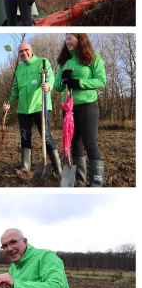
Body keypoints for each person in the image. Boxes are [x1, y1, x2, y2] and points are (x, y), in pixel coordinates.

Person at [54, 33, 107, 186]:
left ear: (80, 39)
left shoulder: (92, 57)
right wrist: (64, 80)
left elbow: (101, 81)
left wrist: (78, 83)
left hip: (87, 105)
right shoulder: (63, 61)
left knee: (89, 143)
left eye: (70, 38)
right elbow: (57, 86)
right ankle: (79, 179)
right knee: (74, 143)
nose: (67, 41)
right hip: (69, 108)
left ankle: (97, 182)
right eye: (66, 39)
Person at [2, 42, 62, 176]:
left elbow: (51, 77)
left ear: (32, 50)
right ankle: (25, 167)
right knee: (24, 137)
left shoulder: (42, 62)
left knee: (46, 137)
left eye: (26, 50)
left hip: (40, 106)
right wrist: (8, 102)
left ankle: (58, 169)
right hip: (23, 109)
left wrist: (48, 85)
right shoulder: (19, 69)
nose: (24, 53)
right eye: (21, 52)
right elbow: (15, 90)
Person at [0, 228, 78, 288]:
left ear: (25, 241)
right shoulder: (13, 268)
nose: (9, 249)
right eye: (5, 246)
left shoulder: (46, 257)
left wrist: (15, 284)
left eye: (13, 242)